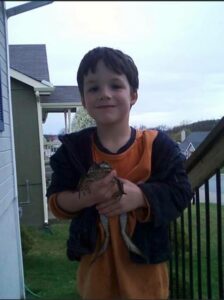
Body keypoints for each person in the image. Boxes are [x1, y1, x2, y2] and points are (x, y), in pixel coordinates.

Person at [47, 46, 193, 300]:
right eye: (93, 88)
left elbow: (180, 192)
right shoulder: (73, 150)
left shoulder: (157, 145)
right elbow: (56, 203)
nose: (105, 94)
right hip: (95, 282)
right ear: (83, 100)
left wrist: (140, 196)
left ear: (133, 94)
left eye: (115, 85)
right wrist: (87, 197)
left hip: (148, 283)